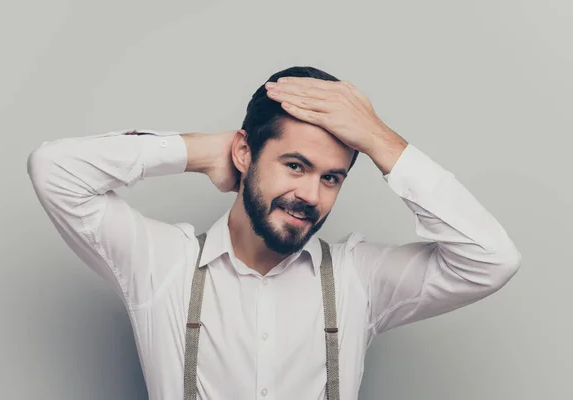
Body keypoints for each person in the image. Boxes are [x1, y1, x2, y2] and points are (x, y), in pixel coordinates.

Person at [27, 66, 521, 400]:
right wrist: (200, 152)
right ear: (245, 153)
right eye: (295, 165)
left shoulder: (359, 279)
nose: (312, 194)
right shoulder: (162, 265)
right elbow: (54, 170)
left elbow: (490, 260)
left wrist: (378, 138)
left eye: (331, 177)